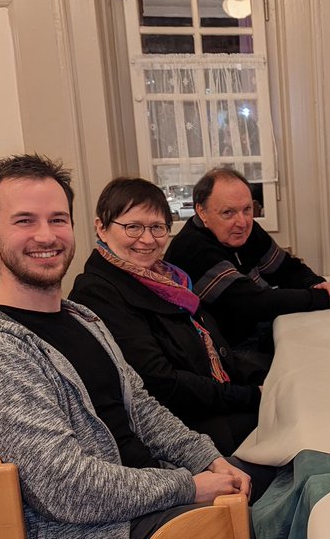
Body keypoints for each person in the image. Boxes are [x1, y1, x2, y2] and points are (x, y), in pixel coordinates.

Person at [0, 155, 276, 539]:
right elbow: (69, 488)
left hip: (145, 495)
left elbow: (141, 409)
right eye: (25, 221)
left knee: (303, 472)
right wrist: (191, 485)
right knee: (289, 518)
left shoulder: (81, 318)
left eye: (57, 219)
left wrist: (207, 458)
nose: (46, 235)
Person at [69, 177, 263, 455]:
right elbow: (162, 383)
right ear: (101, 227)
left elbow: (213, 350)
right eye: (133, 227)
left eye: (157, 227)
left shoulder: (166, 278)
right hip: (180, 431)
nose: (147, 240)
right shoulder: (98, 291)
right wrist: (253, 395)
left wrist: (260, 382)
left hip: (209, 404)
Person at [164, 167, 330, 348]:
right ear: (201, 211)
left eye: (247, 209)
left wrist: (319, 285)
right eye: (228, 213)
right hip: (227, 354)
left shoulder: (245, 229)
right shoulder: (193, 248)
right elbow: (252, 303)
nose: (242, 222)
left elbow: (286, 268)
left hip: (256, 331)